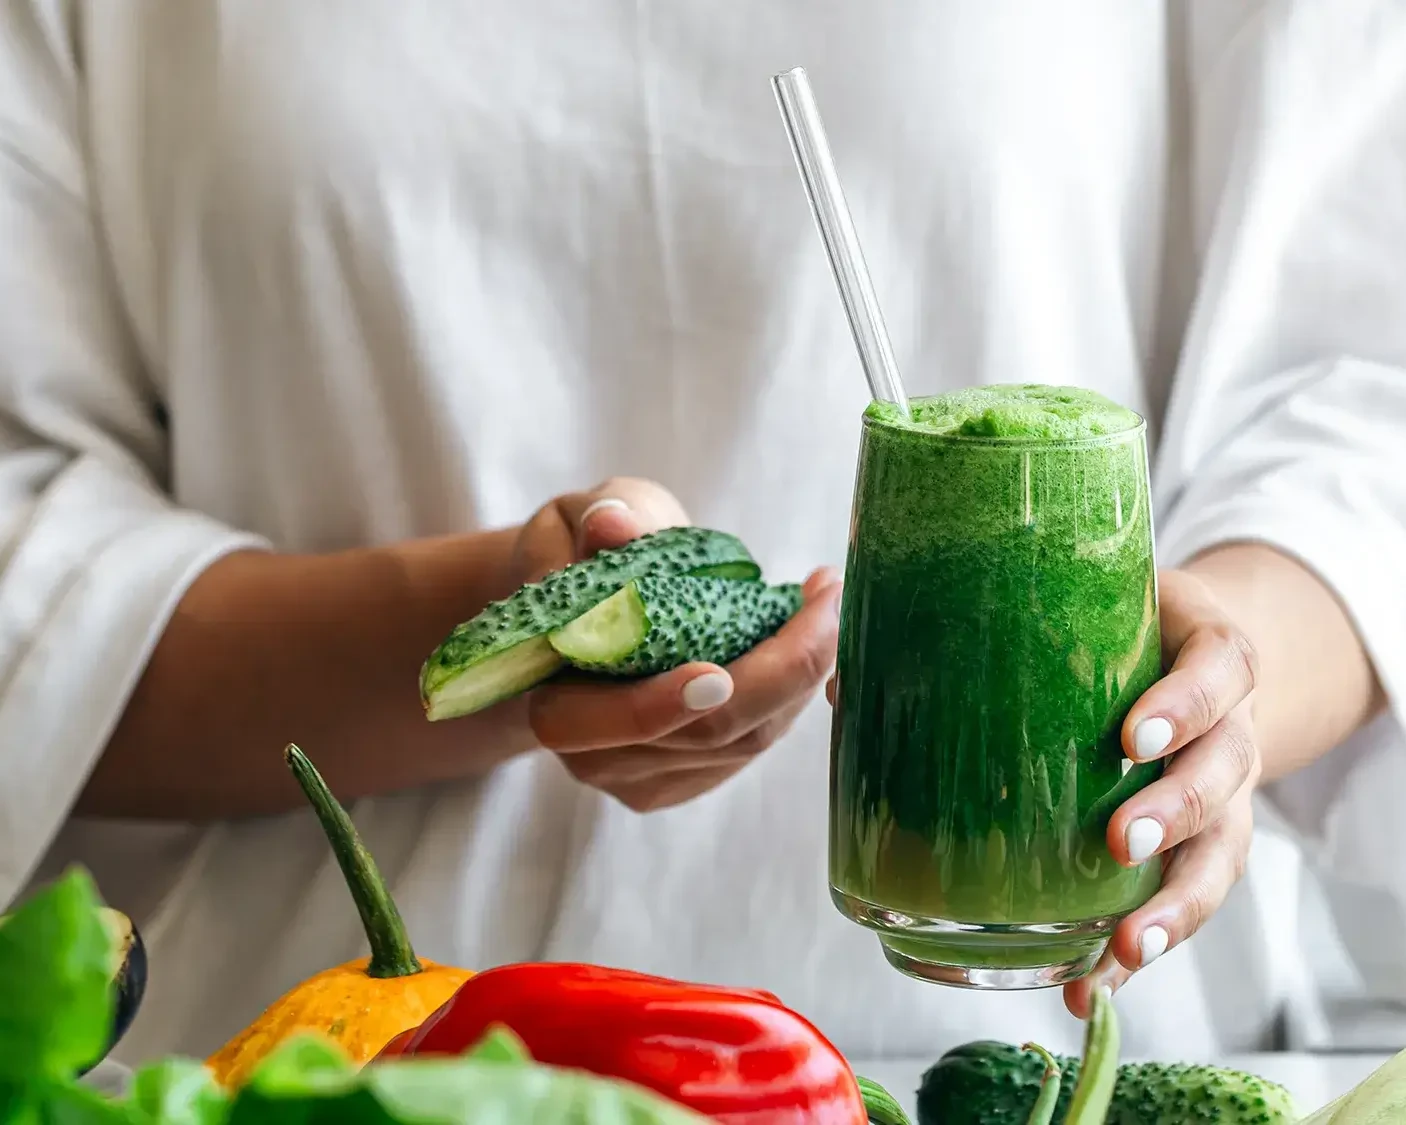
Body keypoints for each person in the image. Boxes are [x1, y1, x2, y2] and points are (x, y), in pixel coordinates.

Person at [1, 0, 1401, 1065]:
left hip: (1049, 1049)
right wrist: (512, 617)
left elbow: (1361, 389)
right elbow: (29, 554)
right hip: (344, 1050)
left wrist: (1220, 684)